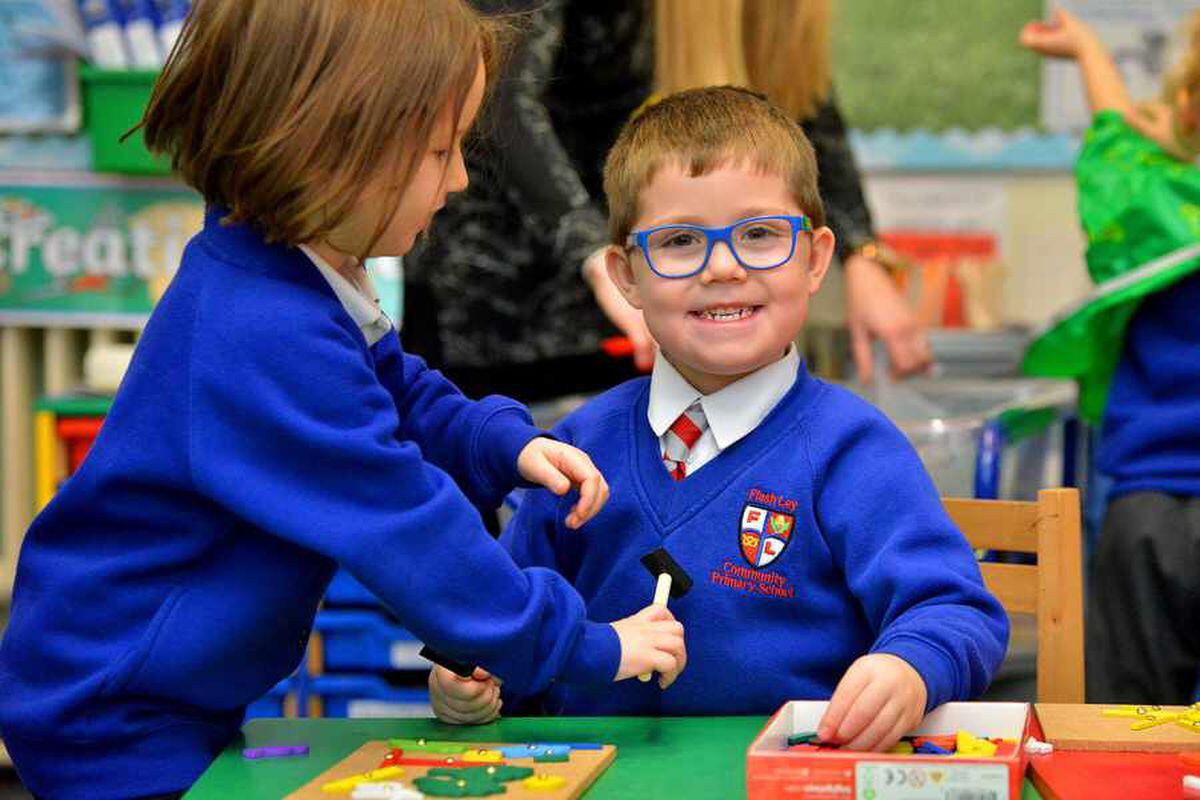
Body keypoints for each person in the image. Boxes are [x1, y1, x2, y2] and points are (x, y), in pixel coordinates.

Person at [0, 3, 687, 797]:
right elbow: (411, 528)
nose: (461, 178)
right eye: (439, 151)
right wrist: (586, 646)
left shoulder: (295, 267)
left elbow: (396, 387)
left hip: (160, 696)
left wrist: (499, 442)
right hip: (111, 716)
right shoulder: (265, 329)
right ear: (331, 149)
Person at [428, 87, 1008, 751]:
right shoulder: (576, 448)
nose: (724, 267)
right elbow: (503, 621)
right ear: (626, 276)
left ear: (817, 258)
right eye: (679, 242)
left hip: (783, 785)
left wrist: (908, 668)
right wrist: (470, 684)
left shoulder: (854, 448)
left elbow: (953, 609)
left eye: (760, 235)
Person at [402, 0, 928, 404]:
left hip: (639, 302)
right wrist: (592, 254)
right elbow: (501, 95)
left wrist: (862, 253)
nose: (729, 269)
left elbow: (798, 95)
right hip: (498, 313)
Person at [1021, 8, 1200, 703]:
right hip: (1147, 507)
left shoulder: (1156, 212)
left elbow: (1116, 142)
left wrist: (1089, 51)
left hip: (1145, 510)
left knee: (1130, 720)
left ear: (1184, 109)